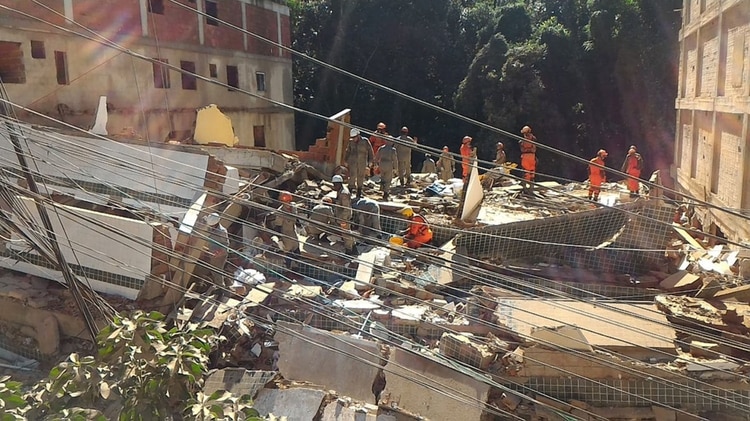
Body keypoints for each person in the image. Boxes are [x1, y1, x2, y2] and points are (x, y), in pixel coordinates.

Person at [344, 128, 374, 198]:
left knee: (360, 176)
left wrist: (370, 161)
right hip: (353, 162)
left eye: (355, 137)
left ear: (358, 135)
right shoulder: (351, 142)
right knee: (352, 176)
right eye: (352, 138)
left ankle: (359, 192)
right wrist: (345, 160)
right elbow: (347, 151)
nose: (354, 139)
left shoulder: (365, 141)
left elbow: (370, 151)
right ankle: (350, 191)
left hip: (362, 162)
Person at [202, 212, 229, 286]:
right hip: (212, 252)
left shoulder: (222, 231)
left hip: (220, 255)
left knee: (217, 271)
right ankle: (218, 284)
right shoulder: (210, 225)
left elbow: (226, 245)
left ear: (216, 224)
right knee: (213, 270)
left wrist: (219, 252)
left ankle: (221, 287)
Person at [331, 174, 355, 252]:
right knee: (348, 232)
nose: (334, 186)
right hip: (341, 215)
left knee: (346, 234)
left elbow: (346, 208)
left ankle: (349, 250)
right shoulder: (340, 190)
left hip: (344, 216)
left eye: (335, 184)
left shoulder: (344, 193)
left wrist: (343, 220)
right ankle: (353, 247)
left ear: (339, 184)